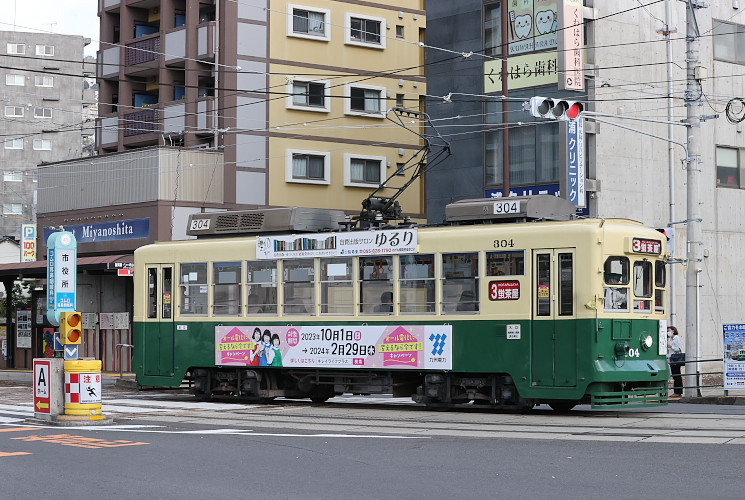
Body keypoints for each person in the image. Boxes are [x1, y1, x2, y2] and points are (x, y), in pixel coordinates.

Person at [667, 326, 684, 397]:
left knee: (677, 375)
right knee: (675, 375)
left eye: (669, 330)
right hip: (671, 358)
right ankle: (676, 391)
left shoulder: (676, 338)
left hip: (675, 358)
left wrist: (671, 346)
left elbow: (679, 349)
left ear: (673, 331)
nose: (668, 332)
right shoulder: (670, 339)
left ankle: (678, 392)